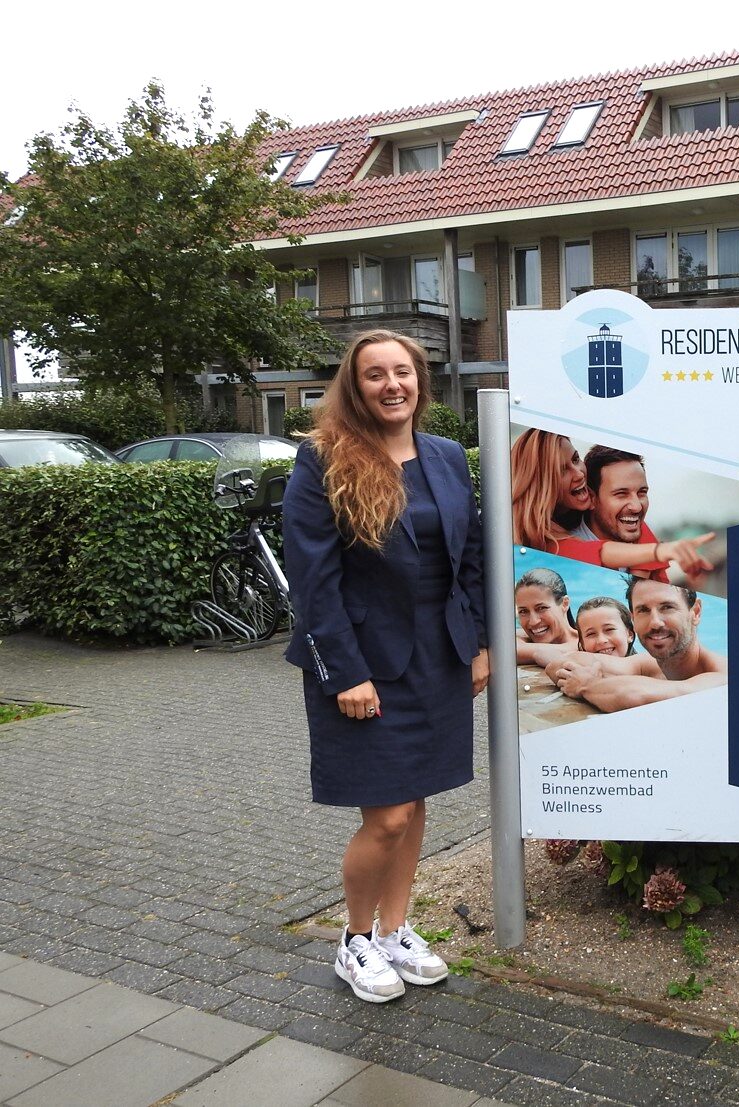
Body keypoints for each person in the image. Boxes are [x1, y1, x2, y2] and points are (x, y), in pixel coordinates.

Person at [283, 329, 489, 1005]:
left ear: (420, 382)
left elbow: (472, 557)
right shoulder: (323, 459)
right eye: (376, 374)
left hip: (438, 656)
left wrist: (481, 640)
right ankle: (354, 938)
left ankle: (398, 930)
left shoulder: (447, 456)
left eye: (403, 371)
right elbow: (313, 580)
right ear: (355, 385)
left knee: (416, 794)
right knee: (389, 815)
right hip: (365, 661)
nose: (392, 384)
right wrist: (343, 672)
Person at [545, 577, 726, 711]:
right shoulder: (648, 664)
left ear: (695, 611)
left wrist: (586, 685)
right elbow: (560, 665)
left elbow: (634, 695)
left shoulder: (722, 675)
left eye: (667, 607)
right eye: (643, 610)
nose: (655, 622)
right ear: (633, 618)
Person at [554, 445, 715, 585]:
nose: (637, 506)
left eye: (642, 492)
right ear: (592, 497)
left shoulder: (645, 543)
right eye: (621, 494)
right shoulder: (557, 551)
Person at [514, 567, 580, 666]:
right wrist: (571, 648)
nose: (533, 622)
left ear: (564, 604)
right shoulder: (581, 645)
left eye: (541, 608)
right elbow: (503, 650)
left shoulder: (596, 642)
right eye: (523, 611)